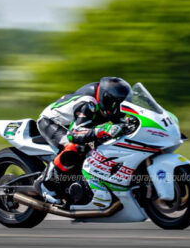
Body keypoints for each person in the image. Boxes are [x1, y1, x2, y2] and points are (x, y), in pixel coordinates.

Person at [34, 77, 132, 206]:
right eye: (114, 102)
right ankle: (46, 184)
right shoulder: (87, 103)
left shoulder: (111, 104)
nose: (118, 107)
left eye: (122, 103)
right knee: (74, 146)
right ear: (105, 97)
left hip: (79, 124)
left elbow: (120, 123)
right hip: (52, 122)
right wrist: (102, 130)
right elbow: (75, 134)